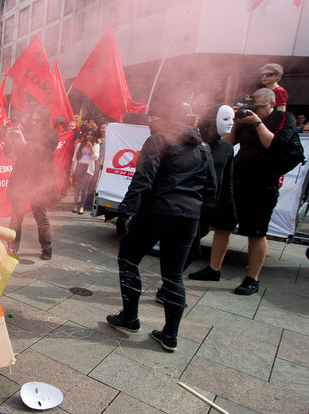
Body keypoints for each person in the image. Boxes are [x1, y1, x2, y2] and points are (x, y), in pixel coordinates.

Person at [106, 103, 216, 352]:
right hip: (189, 216)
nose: (150, 121)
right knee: (174, 274)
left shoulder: (159, 140)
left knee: (129, 258)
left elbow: (143, 179)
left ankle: (130, 317)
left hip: (157, 210)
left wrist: (125, 212)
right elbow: (211, 190)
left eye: (153, 116)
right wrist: (201, 223)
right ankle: (170, 334)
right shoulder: (204, 147)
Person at [187, 88, 296, 295]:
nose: (256, 110)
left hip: (263, 183)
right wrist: (235, 122)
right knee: (222, 225)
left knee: (256, 232)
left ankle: (252, 278)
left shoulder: (284, 118)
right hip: (236, 179)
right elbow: (227, 144)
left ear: (272, 104)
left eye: (261, 107)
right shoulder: (244, 120)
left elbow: (274, 144)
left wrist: (257, 122)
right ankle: (213, 268)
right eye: (253, 106)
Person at [5, 105, 58, 260]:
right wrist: (9, 141)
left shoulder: (52, 135)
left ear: (45, 121)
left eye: (38, 121)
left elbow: (43, 155)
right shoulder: (24, 132)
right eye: (32, 120)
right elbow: (9, 153)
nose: (34, 123)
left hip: (38, 181)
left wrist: (24, 143)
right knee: (16, 217)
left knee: (41, 217)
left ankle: (46, 247)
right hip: (21, 180)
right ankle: (12, 248)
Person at [70, 125, 100, 214]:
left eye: (91, 135)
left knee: (84, 188)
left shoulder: (96, 145)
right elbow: (74, 157)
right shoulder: (80, 144)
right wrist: (72, 169)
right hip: (79, 166)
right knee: (77, 188)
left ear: (94, 136)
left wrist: (91, 147)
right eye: (87, 134)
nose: (89, 136)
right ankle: (75, 205)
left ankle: (82, 206)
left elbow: (95, 158)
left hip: (88, 168)